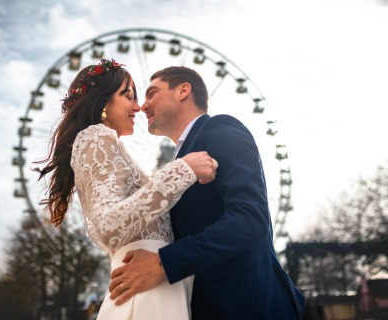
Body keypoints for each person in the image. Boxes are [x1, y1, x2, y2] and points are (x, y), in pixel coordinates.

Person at [109, 66, 306, 319]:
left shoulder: (219, 128)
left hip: (249, 305)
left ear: (183, 90)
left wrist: (163, 263)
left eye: (152, 93)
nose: (143, 105)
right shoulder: (177, 165)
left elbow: (250, 218)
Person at [34, 59, 217, 320]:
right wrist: (182, 170)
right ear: (103, 102)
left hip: (156, 286)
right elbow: (107, 225)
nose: (137, 106)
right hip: (145, 292)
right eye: (128, 96)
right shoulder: (97, 138)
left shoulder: (110, 146)